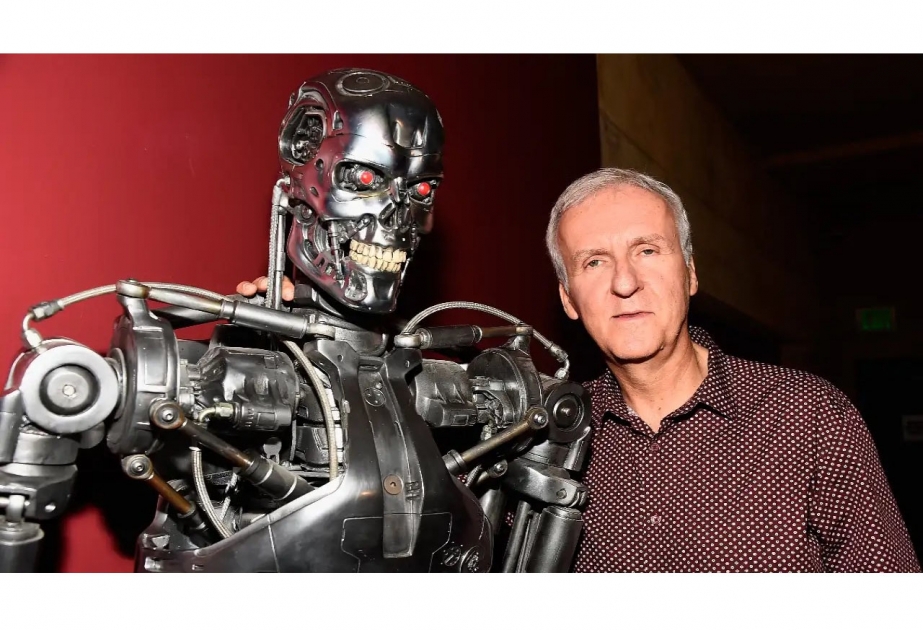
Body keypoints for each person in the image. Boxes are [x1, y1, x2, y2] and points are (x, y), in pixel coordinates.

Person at [545, 167, 920, 572]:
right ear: (569, 299)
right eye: (594, 262)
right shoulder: (545, 441)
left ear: (690, 273)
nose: (624, 282)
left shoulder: (810, 415)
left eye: (647, 251)